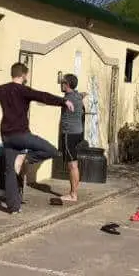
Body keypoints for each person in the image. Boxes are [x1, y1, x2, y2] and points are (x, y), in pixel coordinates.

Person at [0, 62, 74, 213]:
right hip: (21, 135)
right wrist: (63, 101)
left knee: (9, 171)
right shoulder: (23, 90)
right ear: (23, 75)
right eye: (26, 75)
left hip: (7, 137)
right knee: (52, 150)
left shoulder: (2, 89)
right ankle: (25, 158)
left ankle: (14, 207)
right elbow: (42, 96)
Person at [58, 74, 85, 202]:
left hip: (69, 134)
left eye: (62, 82)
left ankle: (73, 194)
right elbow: (81, 94)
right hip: (77, 133)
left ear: (67, 84)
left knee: (72, 165)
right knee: (74, 163)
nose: (60, 84)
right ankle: (73, 192)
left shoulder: (69, 99)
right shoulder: (77, 96)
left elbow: (56, 101)